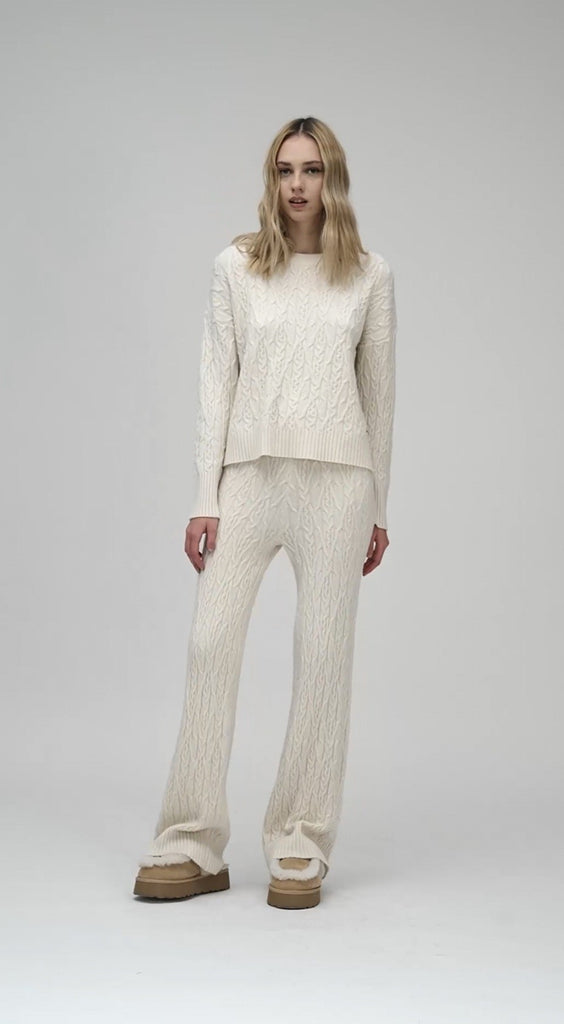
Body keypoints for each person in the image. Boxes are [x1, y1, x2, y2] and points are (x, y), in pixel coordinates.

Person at [133, 115, 397, 910]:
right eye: (285, 170)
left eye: (311, 170)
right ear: (271, 180)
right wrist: (204, 495)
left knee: (322, 657)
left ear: (333, 179)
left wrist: (379, 507)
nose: (297, 185)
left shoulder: (370, 276)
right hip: (249, 477)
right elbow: (216, 381)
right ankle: (190, 840)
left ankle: (300, 841)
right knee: (209, 643)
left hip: (339, 486)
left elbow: (380, 397)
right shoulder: (237, 267)